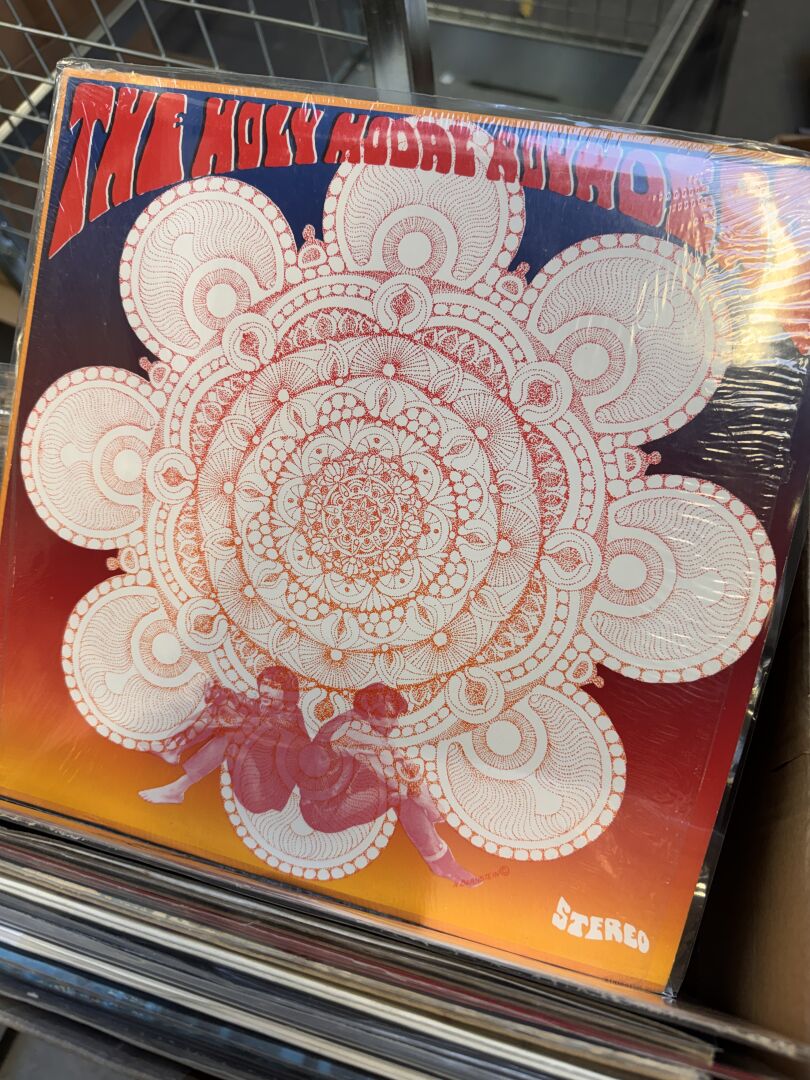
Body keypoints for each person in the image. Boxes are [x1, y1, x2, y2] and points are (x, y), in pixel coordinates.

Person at [293, 683, 481, 887]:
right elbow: (403, 781)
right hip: (323, 811)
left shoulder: (354, 723)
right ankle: (441, 863)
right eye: (390, 715)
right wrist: (437, 812)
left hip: (334, 797)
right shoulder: (355, 731)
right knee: (404, 795)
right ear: (370, 714)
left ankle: (435, 858)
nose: (395, 723)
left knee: (405, 784)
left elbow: (398, 762)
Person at [139, 666, 302, 805]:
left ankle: (176, 789)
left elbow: (261, 733)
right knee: (220, 709)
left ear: (288, 692)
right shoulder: (264, 705)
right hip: (250, 762)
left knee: (235, 732)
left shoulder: (291, 718)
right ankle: (173, 748)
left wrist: (229, 714)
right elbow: (243, 702)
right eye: (264, 684)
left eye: (274, 686)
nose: (265, 690)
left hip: (265, 783)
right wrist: (219, 693)